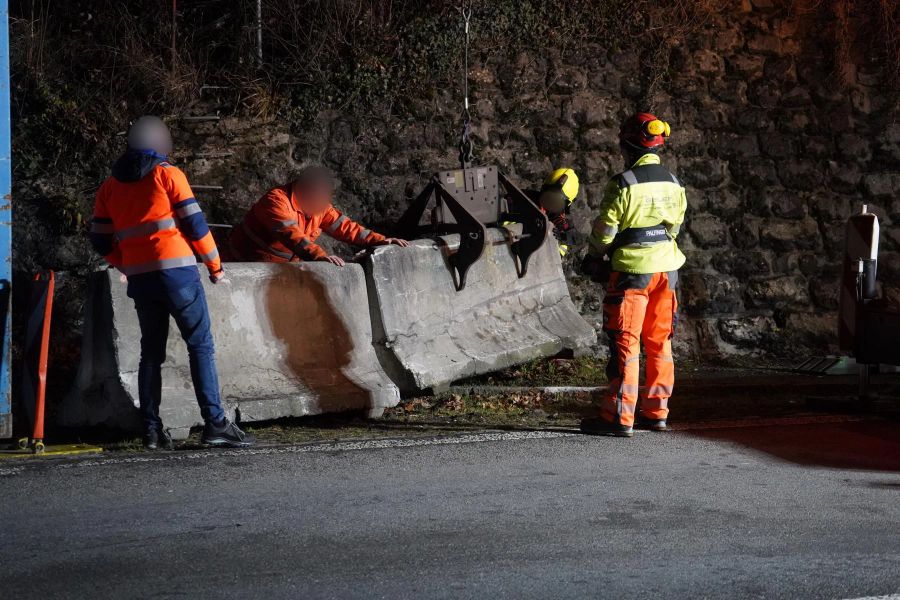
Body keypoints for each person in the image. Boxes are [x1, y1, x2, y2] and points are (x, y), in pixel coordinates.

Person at [90, 116, 255, 450]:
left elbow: (100, 241)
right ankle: (215, 424)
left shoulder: (109, 187)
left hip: (141, 280)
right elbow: (195, 226)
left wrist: (127, 263)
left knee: (151, 354)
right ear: (160, 143)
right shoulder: (168, 175)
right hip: (178, 275)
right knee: (201, 346)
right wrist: (215, 266)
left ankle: (151, 431)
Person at [579, 112, 687, 437]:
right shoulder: (674, 183)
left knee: (627, 344)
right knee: (660, 343)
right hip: (667, 271)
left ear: (626, 147)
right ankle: (657, 413)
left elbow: (606, 230)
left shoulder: (623, 183)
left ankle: (619, 417)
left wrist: (594, 256)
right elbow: (675, 227)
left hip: (631, 273)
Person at [229, 167, 409, 264]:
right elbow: (292, 236)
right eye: (320, 196)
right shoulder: (276, 201)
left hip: (277, 270)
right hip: (243, 266)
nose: (324, 202)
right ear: (305, 190)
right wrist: (320, 257)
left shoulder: (319, 205)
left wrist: (380, 240)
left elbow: (346, 228)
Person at [529, 167, 581, 257]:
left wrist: (563, 237)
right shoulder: (525, 199)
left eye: (556, 201)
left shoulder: (560, 221)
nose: (550, 202)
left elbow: (576, 238)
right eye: (548, 195)